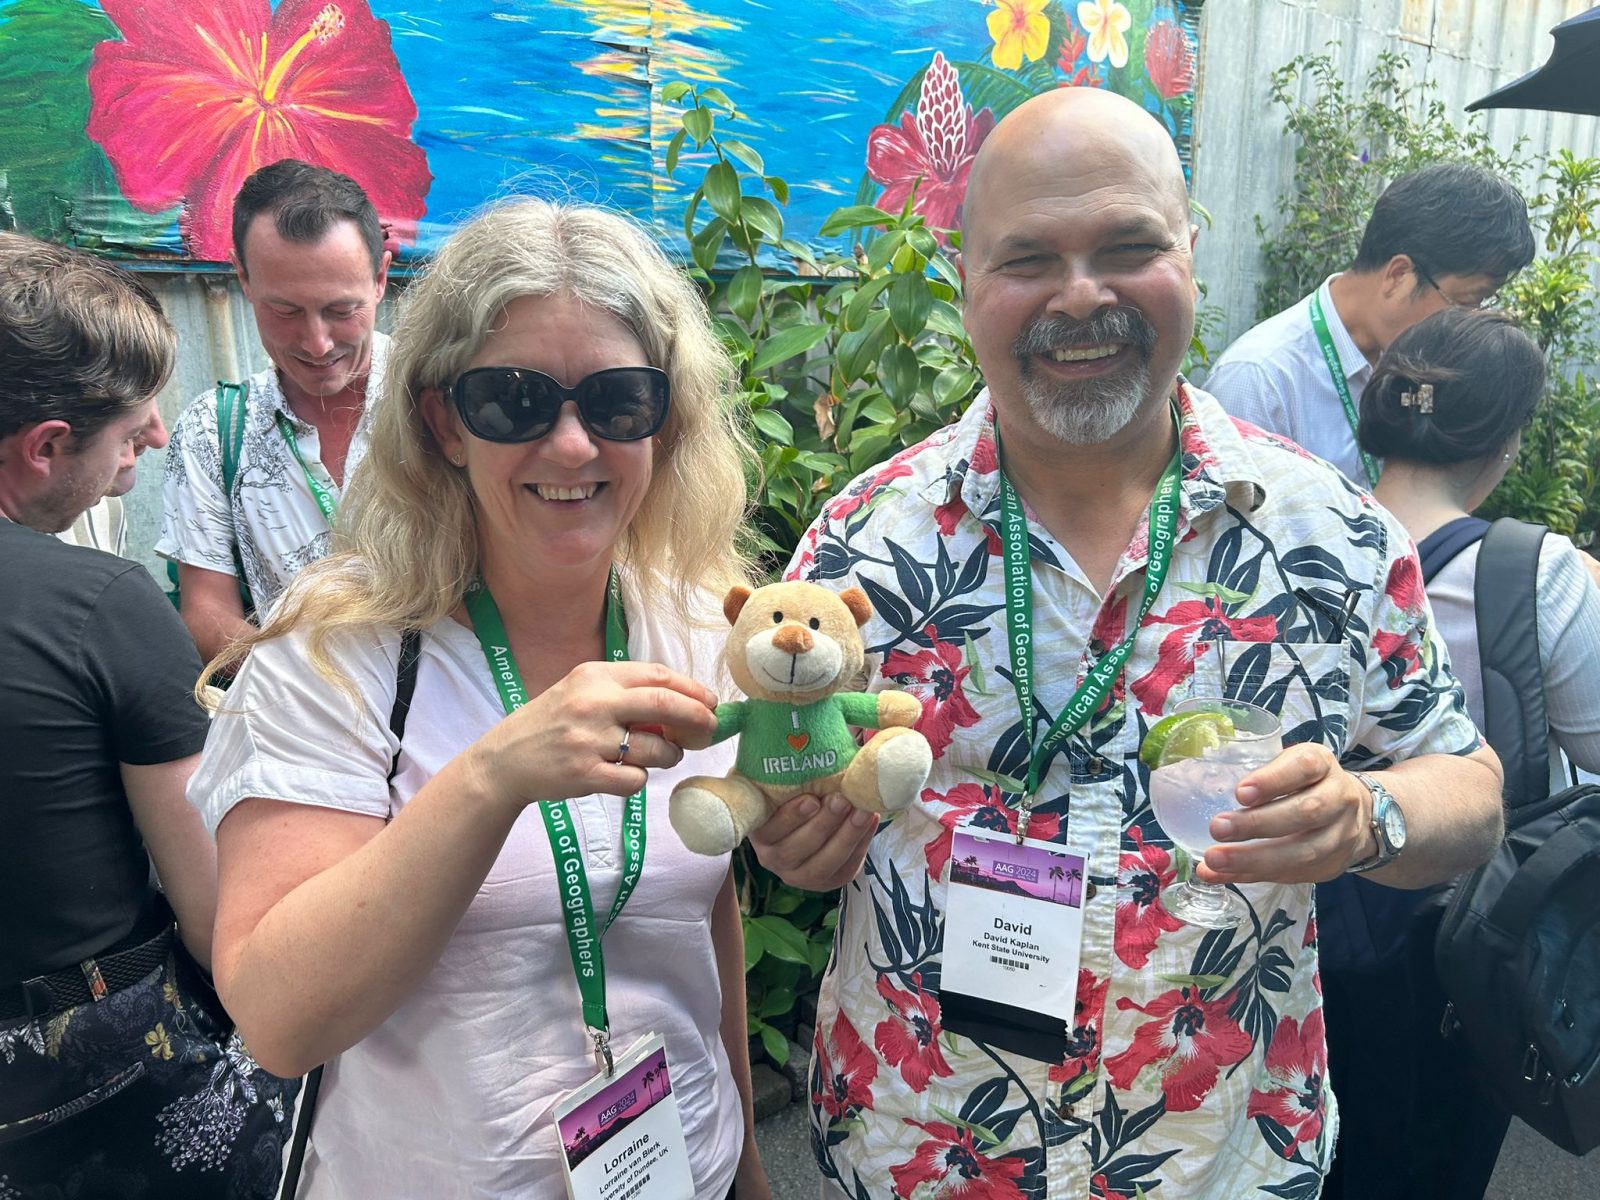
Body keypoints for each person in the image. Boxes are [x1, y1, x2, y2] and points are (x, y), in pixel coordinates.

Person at [757, 88, 1505, 1199]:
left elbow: (1471, 790)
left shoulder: (1333, 536)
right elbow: (788, 779)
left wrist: (1366, 815)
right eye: (1027, 259)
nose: (1080, 294)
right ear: (964, 279)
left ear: (1190, 253)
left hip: (1216, 1157)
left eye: (1127, 247)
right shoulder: (865, 544)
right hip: (926, 1152)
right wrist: (792, 840)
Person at [190, 199, 772, 1197]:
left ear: (665, 422)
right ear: (443, 424)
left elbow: (698, 916)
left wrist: (749, 1165)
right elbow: (278, 1022)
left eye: (618, 401)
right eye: (514, 401)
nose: (573, 445)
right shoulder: (338, 652)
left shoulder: (697, 625)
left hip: (687, 1169)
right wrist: (492, 777)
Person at [0, 233, 295, 1196]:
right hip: (81, 1096)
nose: (159, 439)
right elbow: (223, 921)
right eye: (131, 431)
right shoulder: (99, 604)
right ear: (45, 447)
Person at [1316, 307, 1600, 1199]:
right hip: (1459, 945)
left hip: (1301, 907)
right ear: (1506, 442)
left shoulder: (1303, 531)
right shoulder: (1536, 572)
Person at [158, 159, 392, 661]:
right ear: (243, 279)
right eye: (284, 311)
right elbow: (206, 612)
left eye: (341, 310)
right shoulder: (213, 430)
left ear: (380, 278)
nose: (317, 342)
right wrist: (313, 690)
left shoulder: (444, 402)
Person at [1206, 162, 1534, 487]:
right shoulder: (1259, 381)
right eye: (1465, 302)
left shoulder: (1420, 370)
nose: (1468, 321)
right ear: (1398, 275)